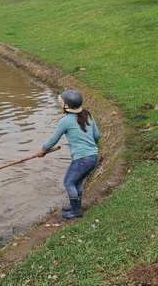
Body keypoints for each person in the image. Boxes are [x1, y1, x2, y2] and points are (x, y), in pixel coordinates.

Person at [36, 89, 100, 219]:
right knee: (78, 182)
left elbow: (54, 139)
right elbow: (97, 135)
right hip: (93, 156)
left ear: (66, 106)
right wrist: (91, 147)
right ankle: (75, 206)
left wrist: (43, 150)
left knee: (68, 183)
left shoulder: (65, 121)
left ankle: (76, 212)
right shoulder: (88, 115)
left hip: (82, 159)